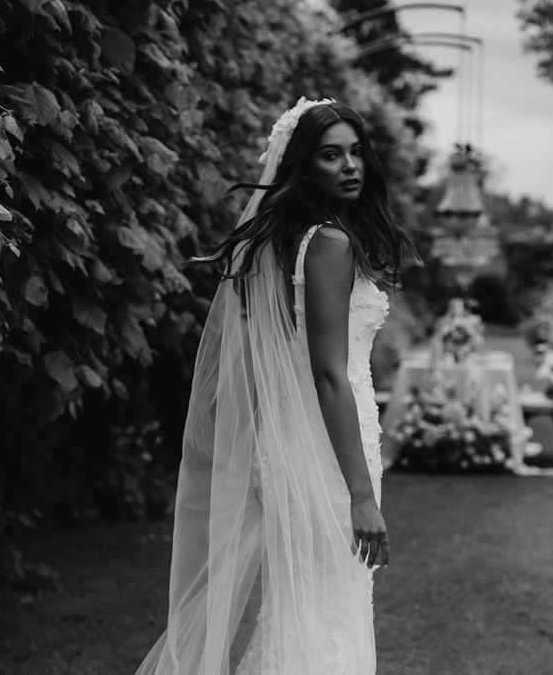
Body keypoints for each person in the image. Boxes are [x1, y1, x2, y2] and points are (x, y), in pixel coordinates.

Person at [135, 97, 413, 674]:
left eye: (356, 152)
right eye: (331, 155)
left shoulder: (299, 239)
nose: (350, 166)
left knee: (305, 605)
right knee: (323, 605)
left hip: (302, 439)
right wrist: (360, 495)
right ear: (303, 167)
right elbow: (328, 373)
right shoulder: (330, 244)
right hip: (329, 449)